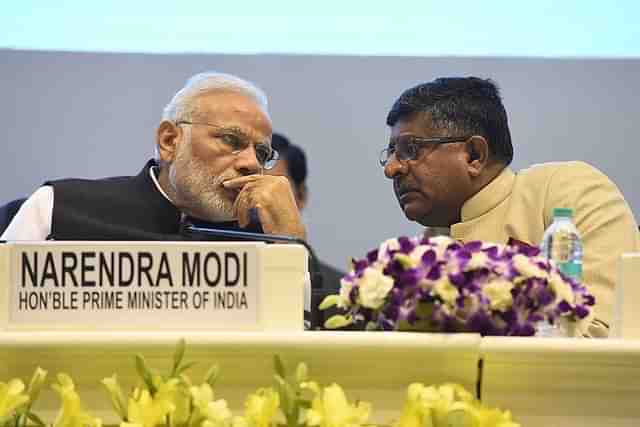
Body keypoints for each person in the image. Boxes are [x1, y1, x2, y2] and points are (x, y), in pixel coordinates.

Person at [381, 76, 640, 336]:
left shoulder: (569, 191)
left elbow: (600, 334)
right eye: (391, 152)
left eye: (410, 149)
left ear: (474, 155)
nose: (392, 168)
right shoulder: (429, 250)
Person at [1, 72, 305, 242]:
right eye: (231, 140)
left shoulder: (264, 239)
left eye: (261, 153)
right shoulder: (61, 208)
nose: (251, 163)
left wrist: (291, 241)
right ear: (169, 141)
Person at [266, 132, 346, 292]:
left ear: (301, 196)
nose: (259, 202)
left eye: (273, 191)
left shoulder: (340, 294)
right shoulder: (214, 285)